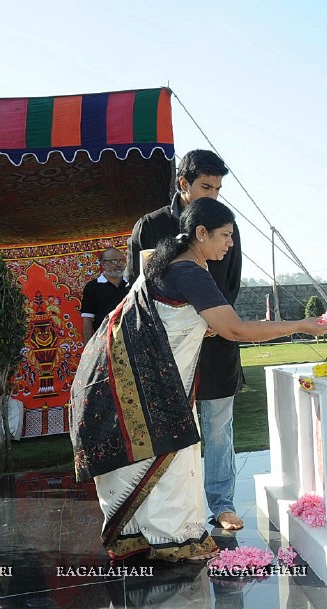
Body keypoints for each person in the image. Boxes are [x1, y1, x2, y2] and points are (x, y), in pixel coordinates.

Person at [71, 198, 327, 562]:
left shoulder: (166, 262)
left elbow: (167, 319)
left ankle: (140, 535)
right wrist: (301, 326)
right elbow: (236, 330)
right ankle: (171, 539)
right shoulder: (190, 271)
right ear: (200, 233)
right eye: (225, 235)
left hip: (128, 376)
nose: (230, 244)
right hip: (149, 384)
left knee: (149, 456)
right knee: (169, 454)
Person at [127, 150, 247, 532]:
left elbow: (230, 284)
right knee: (169, 427)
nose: (212, 195)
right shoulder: (149, 226)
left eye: (217, 188)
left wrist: (213, 321)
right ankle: (173, 509)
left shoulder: (226, 224)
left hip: (215, 343)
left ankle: (222, 503)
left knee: (216, 425)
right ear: (183, 184)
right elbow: (137, 287)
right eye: (205, 187)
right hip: (166, 349)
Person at [79, 247, 129, 343]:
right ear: (103, 264)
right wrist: (88, 348)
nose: (119, 265)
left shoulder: (132, 284)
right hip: (105, 341)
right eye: (114, 261)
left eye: (121, 261)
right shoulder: (92, 287)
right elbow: (87, 319)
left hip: (131, 338)